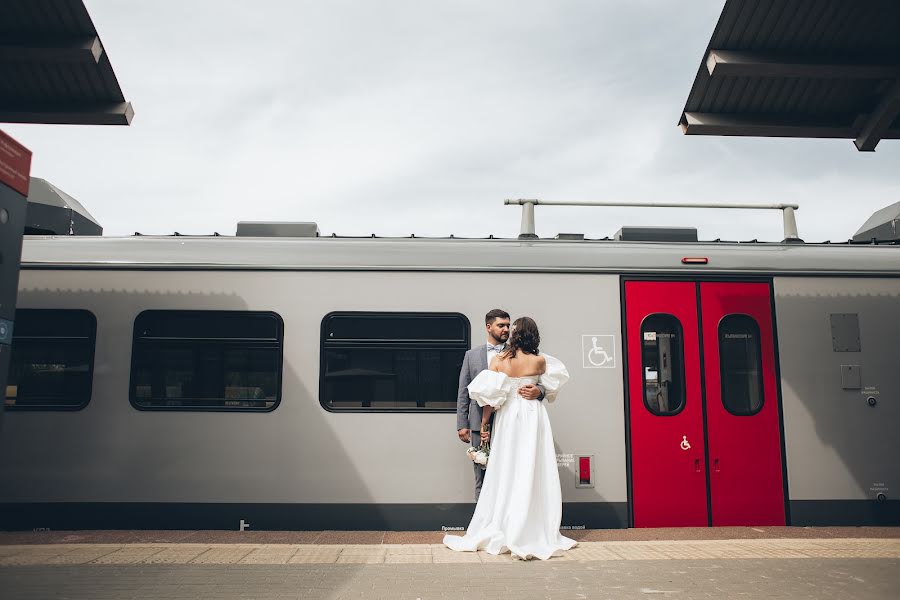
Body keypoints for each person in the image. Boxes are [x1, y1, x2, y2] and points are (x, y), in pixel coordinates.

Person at [444, 317, 576, 560]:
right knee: (532, 466)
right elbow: (552, 387)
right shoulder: (540, 361)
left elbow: (490, 399)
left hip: (508, 419)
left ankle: (502, 522)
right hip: (532, 417)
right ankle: (532, 526)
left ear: (514, 334)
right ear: (534, 335)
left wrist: (484, 425)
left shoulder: (499, 360)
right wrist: (540, 391)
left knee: (506, 468)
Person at [456, 309, 543, 500]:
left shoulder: (521, 353)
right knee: (482, 476)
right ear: (489, 327)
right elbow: (463, 390)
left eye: (507, 326)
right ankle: (482, 522)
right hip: (480, 423)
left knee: (511, 473)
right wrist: (463, 423)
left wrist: (539, 392)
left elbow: (542, 382)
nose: (506, 330)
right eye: (501, 325)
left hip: (511, 422)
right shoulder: (471, 355)